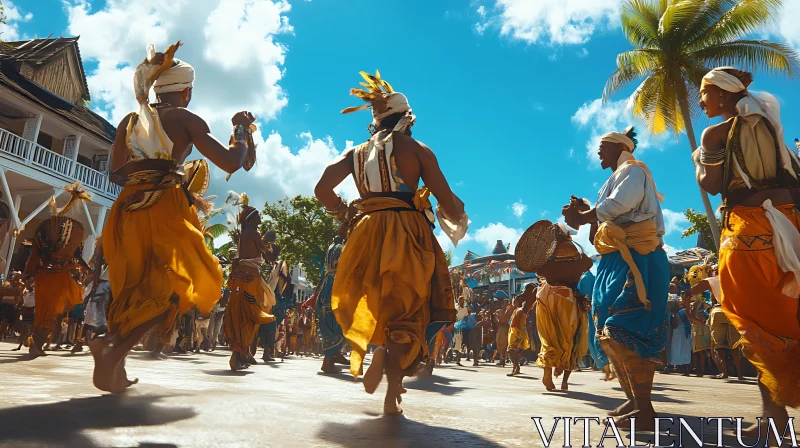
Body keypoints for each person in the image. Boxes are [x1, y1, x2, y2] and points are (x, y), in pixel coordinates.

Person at [90, 42, 255, 393]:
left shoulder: (130, 120)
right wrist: (240, 130)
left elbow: (116, 173)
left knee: (134, 287)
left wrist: (148, 170)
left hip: (127, 206)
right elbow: (230, 162)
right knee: (172, 291)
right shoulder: (185, 118)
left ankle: (113, 361)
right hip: (164, 205)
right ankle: (112, 349)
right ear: (186, 90)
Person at [315, 71, 466, 415]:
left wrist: (343, 213)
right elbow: (449, 202)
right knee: (409, 306)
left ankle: (382, 356)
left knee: (374, 297)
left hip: (365, 233)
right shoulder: (416, 149)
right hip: (407, 232)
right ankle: (391, 380)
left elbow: (322, 189)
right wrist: (455, 210)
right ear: (407, 119)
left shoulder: (354, 153)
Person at [694, 67, 800, 432]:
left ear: (723, 95)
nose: (702, 101)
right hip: (788, 225)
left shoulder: (716, 134)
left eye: (705, 93)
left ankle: (774, 418)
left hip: (749, 231)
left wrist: (699, 163)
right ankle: (774, 416)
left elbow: (710, 185)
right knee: (784, 318)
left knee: (755, 323)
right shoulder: (773, 130)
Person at [563, 126, 669, 430]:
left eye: (603, 147)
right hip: (616, 260)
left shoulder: (633, 171)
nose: (598, 152)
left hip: (638, 258)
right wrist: (584, 211)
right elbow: (607, 217)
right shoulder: (615, 178)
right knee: (606, 330)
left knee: (625, 326)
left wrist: (584, 216)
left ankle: (645, 409)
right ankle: (636, 401)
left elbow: (619, 206)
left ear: (619, 148)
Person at [24, 185, 92, 357]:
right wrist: (88, 269)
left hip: (50, 278)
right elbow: (78, 258)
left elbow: (34, 257)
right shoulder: (66, 237)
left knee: (49, 313)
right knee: (49, 313)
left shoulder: (46, 237)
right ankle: (37, 344)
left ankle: (38, 344)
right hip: (54, 278)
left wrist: (29, 275)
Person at [530, 223, 592, 392]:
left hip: (545, 296)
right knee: (570, 340)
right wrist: (577, 249)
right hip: (566, 298)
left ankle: (548, 372)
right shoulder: (575, 255)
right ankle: (564, 382)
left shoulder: (547, 257)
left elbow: (538, 272)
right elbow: (588, 264)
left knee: (549, 337)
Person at [224, 200, 279, 370]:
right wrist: (274, 248)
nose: (260, 219)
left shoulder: (245, 234)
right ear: (250, 219)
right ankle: (238, 355)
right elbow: (269, 257)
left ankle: (242, 354)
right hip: (250, 277)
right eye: (258, 217)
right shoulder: (253, 233)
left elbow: (254, 252)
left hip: (240, 277)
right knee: (249, 315)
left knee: (239, 313)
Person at [306, 223, 350, 373]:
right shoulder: (343, 248)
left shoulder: (330, 248)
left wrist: (316, 293)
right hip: (334, 289)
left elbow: (324, 272)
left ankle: (335, 356)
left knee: (331, 323)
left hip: (326, 288)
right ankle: (328, 362)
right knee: (339, 321)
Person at [507, 288, 534, 376]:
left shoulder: (521, 312)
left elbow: (523, 326)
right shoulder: (517, 310)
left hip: (517, 334)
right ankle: (516, 367)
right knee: (514, 351)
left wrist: (520, 337)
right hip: (515, 333)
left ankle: (516, 367)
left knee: (511, 350)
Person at [13, 285, 35, 351]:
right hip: (25, 311)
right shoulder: (25, 291)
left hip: (32, 311)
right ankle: (20, 346)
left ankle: (32, 345)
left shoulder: (35, 292)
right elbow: (22, 301)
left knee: (30, 329)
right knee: (23, 329)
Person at [494, 298, 513, 367]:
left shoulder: (509, 311)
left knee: (506, 344)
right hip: (501, 328)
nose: (506, 304)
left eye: (507, 303)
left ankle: (504, 359)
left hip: (507, 328)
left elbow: (505, 320)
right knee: (500, 343)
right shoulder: (500, 311)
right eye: (504, 303)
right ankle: (502, 359)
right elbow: (497, 320)